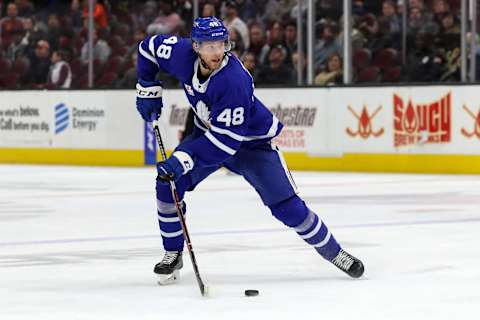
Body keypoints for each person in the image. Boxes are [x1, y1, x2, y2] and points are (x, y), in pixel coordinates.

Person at [135, 17, 364, 285]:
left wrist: (184, 158)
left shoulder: (234, 81)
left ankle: (335, 253)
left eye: (220, 44)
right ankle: (173, 252)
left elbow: (226, 144)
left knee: (287, 208)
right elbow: (147, 48)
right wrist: (147, 87)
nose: (216, 52)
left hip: (252, 145)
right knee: (168, 186)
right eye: (208, 46)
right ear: (195, 46)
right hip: (208, 134)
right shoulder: (179, 53)